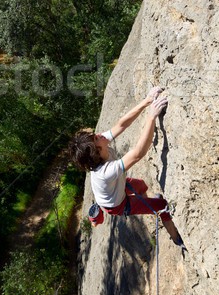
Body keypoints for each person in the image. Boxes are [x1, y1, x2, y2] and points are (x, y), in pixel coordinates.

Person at [69, 87, 186, 251]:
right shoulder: (104, 172)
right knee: (162, 205)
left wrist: (147, 101)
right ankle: (177, 240)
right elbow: (138, 153)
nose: (100, 135)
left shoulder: (100, 147)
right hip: (118, 204)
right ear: (97, 151)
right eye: (96, 138)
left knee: (141, 185)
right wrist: (151, 117)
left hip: (116, 188)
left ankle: (147, 206)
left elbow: (121, 124)